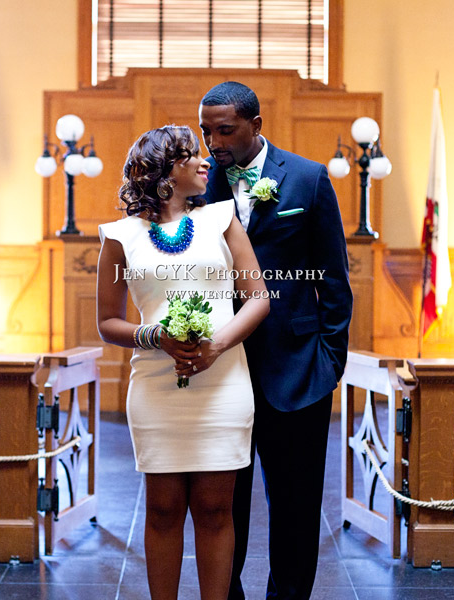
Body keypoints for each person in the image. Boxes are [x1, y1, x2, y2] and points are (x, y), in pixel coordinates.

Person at [96, 125, 270, 600]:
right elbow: (108, 322)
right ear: (164, 171)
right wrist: (156, 337)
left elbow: (257, 299)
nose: (203, 160)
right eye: (189, 155)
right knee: (164, 510)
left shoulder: (221, 219)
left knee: (217, 510)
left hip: (225, 384)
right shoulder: (119, 237)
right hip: (156, 386)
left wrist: (215, 346)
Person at [198, 81, 353, 600]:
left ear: (255, 126)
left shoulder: (308, 180)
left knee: (296, 504)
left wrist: (330, 360)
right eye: (206, 131)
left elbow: (333, 279)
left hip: (298, 368)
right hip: (219, 368)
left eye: (224, 130)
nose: (213, 142)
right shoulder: (197, 186)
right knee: (223, 503)